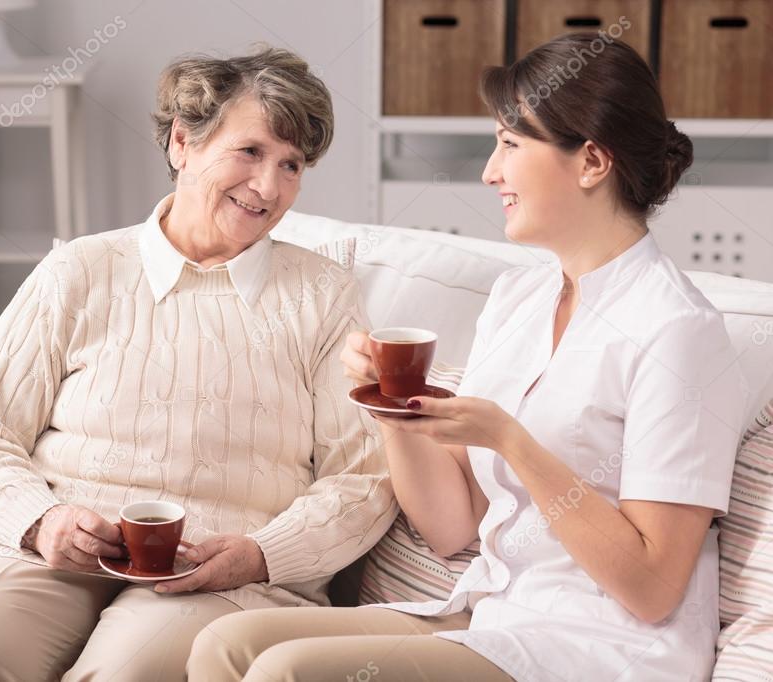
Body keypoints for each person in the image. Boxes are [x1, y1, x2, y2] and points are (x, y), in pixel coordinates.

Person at [188, 33, 745, 682]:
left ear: (591, 161)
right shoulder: (519, 298)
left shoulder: (676, 331)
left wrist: (512, 441)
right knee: (226, 643)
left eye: (510, 143)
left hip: (601, 649)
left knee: (285, 671)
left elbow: (651, 586)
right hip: (495, 611)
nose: (489, 171)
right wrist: (391, 406)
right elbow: (453, 526)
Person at [0, 46, 396, 682]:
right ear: (183, 143)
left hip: (222, 576)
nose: (270, 187)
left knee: (128, 670)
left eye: (291, 165)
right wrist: (40, 521)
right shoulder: (80, 270)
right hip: (58, 559)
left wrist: (260, 555)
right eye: (250, 152)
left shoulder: (322, 295)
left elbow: (364, 478)